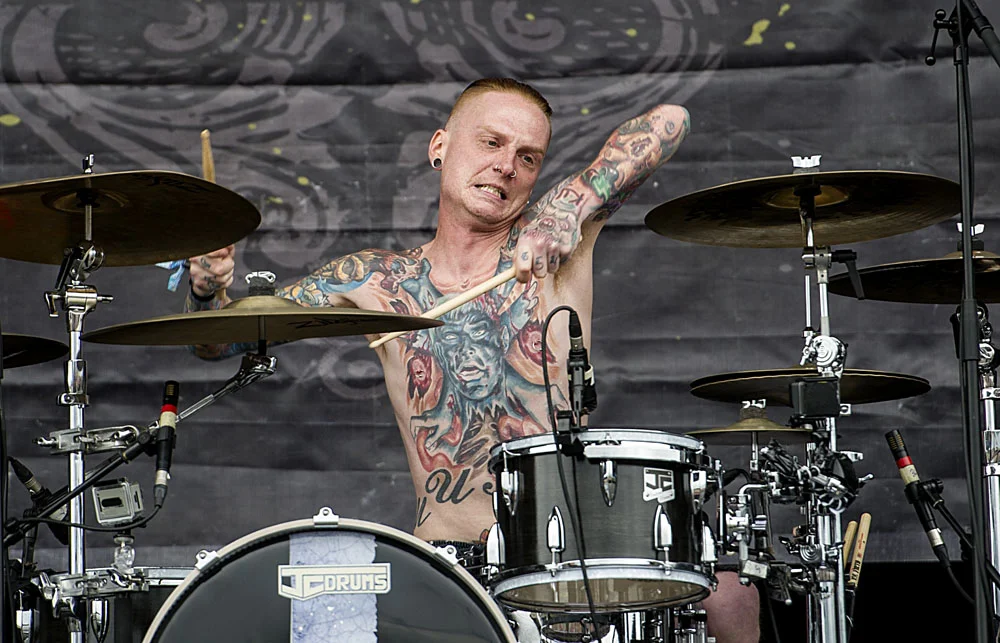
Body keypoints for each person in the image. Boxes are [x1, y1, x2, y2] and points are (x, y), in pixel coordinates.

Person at [185, 78, 759, 642]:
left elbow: (671, 119)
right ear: (440, 147)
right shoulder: (376, 282)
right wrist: (207, 290)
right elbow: (216, 342)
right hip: (446, 574)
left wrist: (573, 205)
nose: (507, 165)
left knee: (733, 593)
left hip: (563, 567)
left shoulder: (555, 244)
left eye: (528, 157)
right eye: (491, 142)